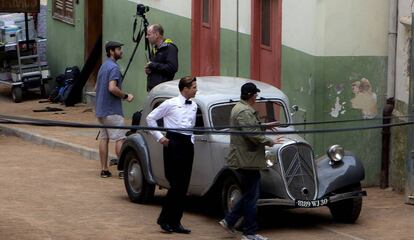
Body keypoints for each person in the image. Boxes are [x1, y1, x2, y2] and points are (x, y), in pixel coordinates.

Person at [219, 82, 282, 240]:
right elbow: (251, 134)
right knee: (252, 197)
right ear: (249, 95)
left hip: (246, 158)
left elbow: (249, 128)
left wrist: (265, 126)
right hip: (246, 159)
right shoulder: (244, 111)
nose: (256, 97)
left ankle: (230, 220)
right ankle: (249, 232)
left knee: (249, 194)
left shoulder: (240, 108)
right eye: (255, 94)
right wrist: (270, 141)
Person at [146, 76, 197, 234]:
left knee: (183, 186)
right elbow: (150, 118)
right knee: (175, 185)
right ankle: (165, 220)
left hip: (188, 144)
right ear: (185, 89)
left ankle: (176, 222)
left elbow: (192, 126)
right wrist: (161, 138)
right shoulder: (170, 103)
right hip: (174, 143)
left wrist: (192, 140)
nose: (196, 89)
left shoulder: (194, 105)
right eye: (194, 87)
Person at [95, 41, 134, 178]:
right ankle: (123, 170)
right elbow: (112, 88)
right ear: (111, 51)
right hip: (113, 110)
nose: (121, 51)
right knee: (120, 138)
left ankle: (104, 169)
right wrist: (125, 96)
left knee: (104, 138)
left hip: (101, 109)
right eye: (118, 49)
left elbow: (96, 88)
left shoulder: (103, 66)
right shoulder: (114, 68)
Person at [145, 24, 178, 91]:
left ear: (157, 35)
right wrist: (149, 70)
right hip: (153, 89)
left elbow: (172, 68)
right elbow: (157, 68)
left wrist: (153, 65)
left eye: (149, 35)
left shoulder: (170, 48)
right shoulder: (155, 49)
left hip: (163, 89)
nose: (146, 37)